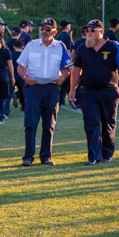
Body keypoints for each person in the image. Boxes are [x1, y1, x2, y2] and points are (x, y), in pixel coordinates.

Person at [69, 19, 119, 165]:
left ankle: (107, 153)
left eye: (92, 30)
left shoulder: (114, 46)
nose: (88, 33)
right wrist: (72, 89)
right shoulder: (82, 48)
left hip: (109, 92)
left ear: (101, 32)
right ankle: (93, 156)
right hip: (88, 92)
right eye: (87, 30)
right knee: (91, 124)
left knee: (108, 124)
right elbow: (76, 70)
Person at [16, 18, 72, 166]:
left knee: (49, 124)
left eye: (48, 29)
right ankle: (28, 157)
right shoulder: (31, 45)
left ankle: (46, 156)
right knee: (30, 124)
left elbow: (68, 68)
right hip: (34, 88)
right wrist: (25, 77)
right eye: (42, 29)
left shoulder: (60, 46)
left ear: (55, 31)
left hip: (52, 89)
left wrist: (63, 77)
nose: (44, 32)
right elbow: (20, 66)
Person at [56, 20, 73, 107]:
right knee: (66, 81)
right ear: (67, 26)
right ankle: (62, 100)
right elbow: (68, 51)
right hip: (64, 61)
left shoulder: (59, 36)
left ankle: (60, 99)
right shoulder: (67, 36)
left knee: (62, 80)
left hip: (58, 60)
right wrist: (69, 63)